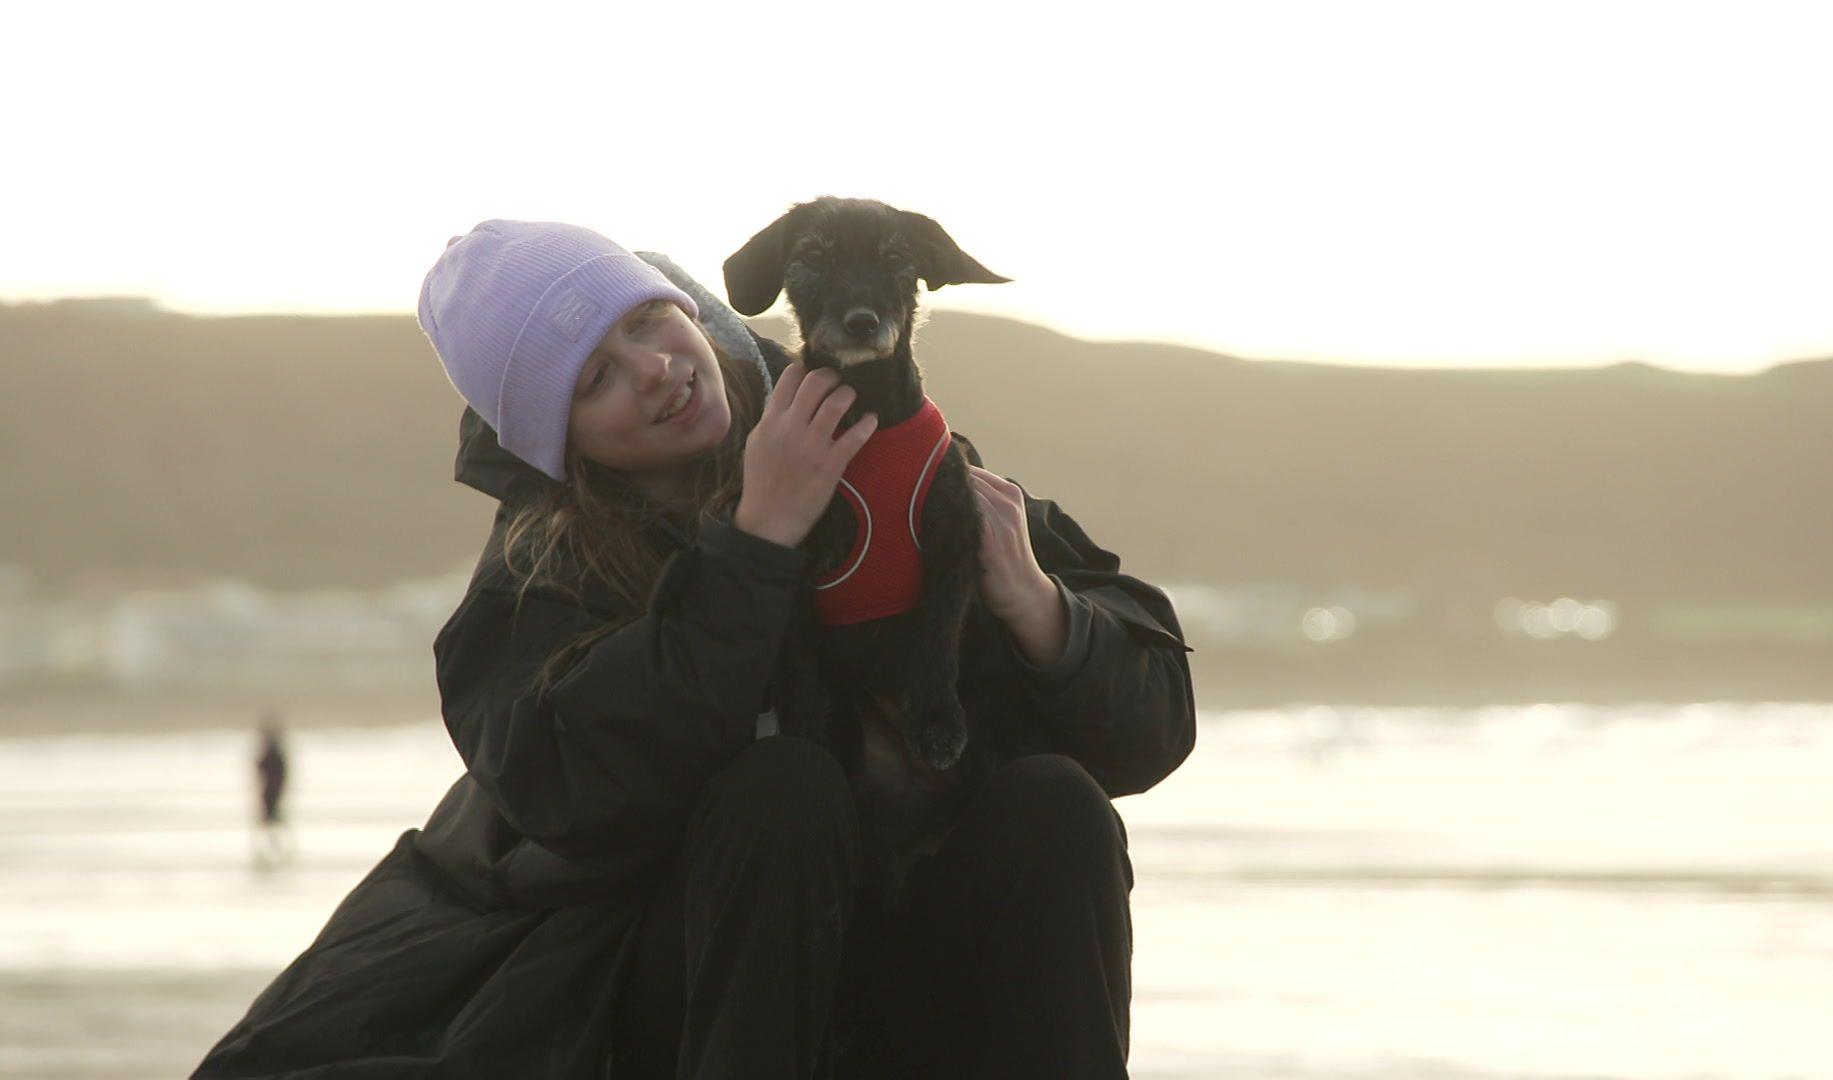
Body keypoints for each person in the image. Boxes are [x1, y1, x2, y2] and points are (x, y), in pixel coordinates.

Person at [194, 219, 1195, 1079]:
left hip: (910, 956)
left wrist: (1039, 604)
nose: (657, 372)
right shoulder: (538, 583)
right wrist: (757, 543)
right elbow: (588, 794)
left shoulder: (881, 448)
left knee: (1053, 804)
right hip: (683, 1006)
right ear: (561, 439)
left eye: (646, 322)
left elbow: (1151, 730)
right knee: (781, 791)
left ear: (684, 304)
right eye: (597, 380)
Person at [251, 710, 290, 866]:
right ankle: (273, 847)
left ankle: (273, 847)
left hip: (271, 790)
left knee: (271, 819)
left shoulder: (272, 753)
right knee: (272, 819)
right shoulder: (274, 752)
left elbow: (264, 768)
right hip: (272, 789)